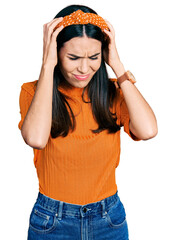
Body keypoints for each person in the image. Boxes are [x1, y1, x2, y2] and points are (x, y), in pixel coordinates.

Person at [18, 4, 158, 240]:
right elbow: (36, 138)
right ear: (55, 52)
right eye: (73, 57)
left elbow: (149, 129)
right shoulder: (33, 92)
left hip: (108, 220)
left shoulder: (115, 92)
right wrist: (47, 65)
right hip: (52, 221)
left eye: (93, 57)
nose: (84, 68)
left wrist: (118, 66)